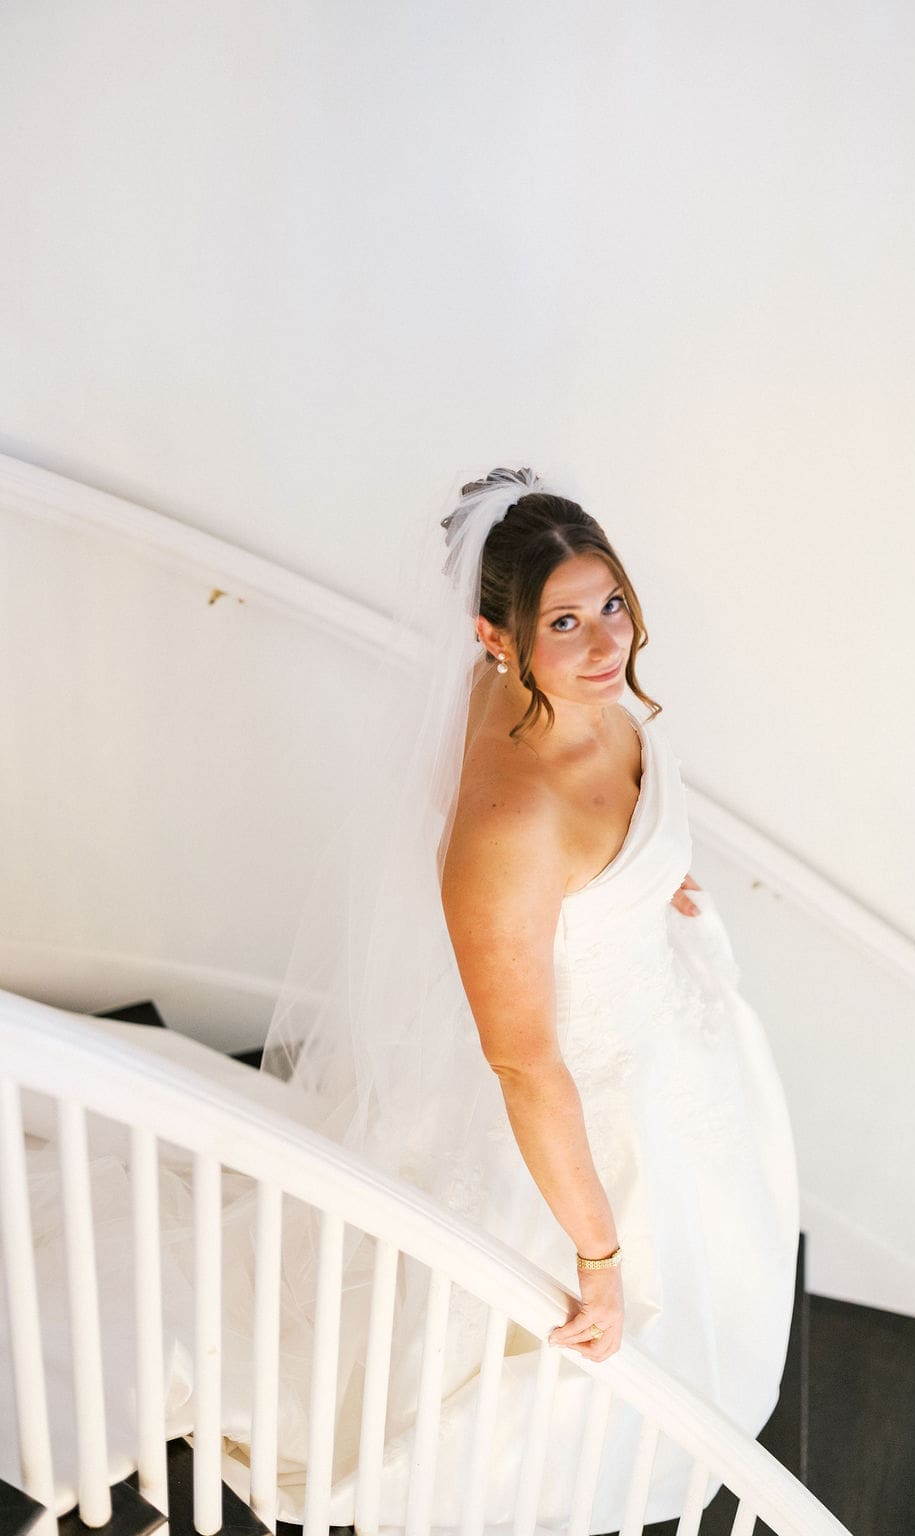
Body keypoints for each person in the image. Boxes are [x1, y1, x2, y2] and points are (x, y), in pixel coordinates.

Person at [257, 465, 801, 1527]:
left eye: (610, 604)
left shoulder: (578, 695)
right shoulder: (507, 830)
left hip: (672, 1030)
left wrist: (643, 878)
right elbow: (524, 1063)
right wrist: (598, 1262)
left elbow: (618, 815)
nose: (608, 645)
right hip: (580, 1109)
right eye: (565, 622)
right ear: (493, 637)